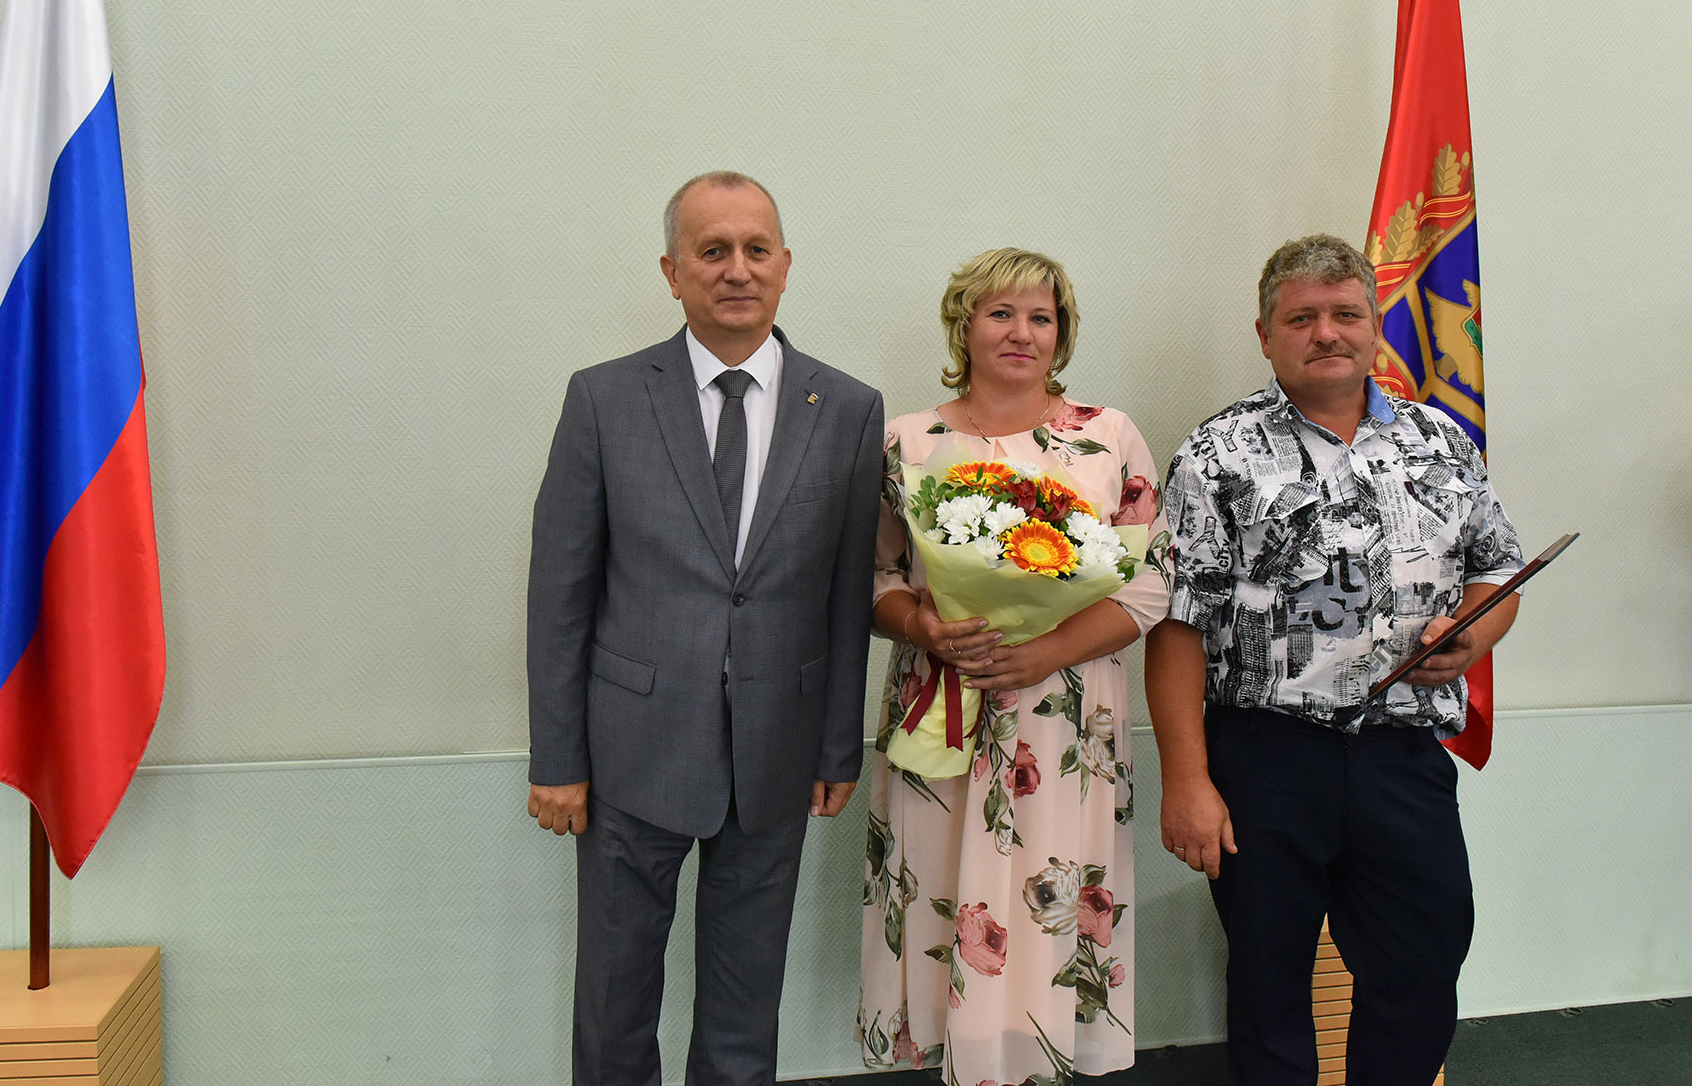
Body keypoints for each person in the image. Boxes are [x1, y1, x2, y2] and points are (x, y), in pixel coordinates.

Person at [527, 171, 884, 1086]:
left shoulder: (847, 409)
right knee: (615, 1003)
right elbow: (560, 593)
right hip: (631, 753)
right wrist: (557, 759)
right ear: (672, 270)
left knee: (743, 1009)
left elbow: (847, 596)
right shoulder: (604, 398)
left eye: (756, 250)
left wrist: (836, 747)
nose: (737, 270)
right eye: (712, 250)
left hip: (778, 754)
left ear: (785, 265)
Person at [1147, 233, 1524, 1085]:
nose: (1326, 333)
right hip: (1266, 759)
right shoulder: (1217, 454)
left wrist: (1472, 635)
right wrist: (1187, 779)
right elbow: (1178, 624)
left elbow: (1498, 572)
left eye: (1346, 314)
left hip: (1403, 756)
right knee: (1270, 980)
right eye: (1302, 318)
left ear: (1375, 324)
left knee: (1422, 964)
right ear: (1265, 334)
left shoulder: (1441, 441)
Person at [858, 248, 1172, 1084]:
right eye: (1001, 313)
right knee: (942, 891)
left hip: (1065, 714)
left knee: (1050, 893)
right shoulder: (907, 442)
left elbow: (1151, 582)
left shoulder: (1108, 437)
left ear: (1061, 333)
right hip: (943, 702)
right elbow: (872, 577)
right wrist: (924, 626)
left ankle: (1042, 1056)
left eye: (1042, 317)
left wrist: (1043, 651)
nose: (1022, 332)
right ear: (964, 325)